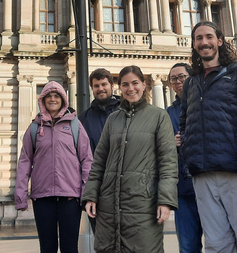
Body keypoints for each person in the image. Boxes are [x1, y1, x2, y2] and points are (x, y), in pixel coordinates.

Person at [179, 21, 237, 253]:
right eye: (198, 38)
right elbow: (184, 120)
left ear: (219, 41)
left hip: (236, 171)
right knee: (216, 245)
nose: (204, 42)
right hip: (202, 173)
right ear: (194, 44)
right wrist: (189, 153)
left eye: (209, 37)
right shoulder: (191, 82)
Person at [83, 66, 178, 253]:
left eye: (135, 83)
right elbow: (99, 162)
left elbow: (168, 162)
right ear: (120, 88)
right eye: (125, 84)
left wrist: (165, 200)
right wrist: (91, 195)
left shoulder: (159, 116)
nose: (130, 88)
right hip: (109, 203)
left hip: (143, 203)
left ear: (144, 84)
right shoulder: (113, 119)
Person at [15, 81, 93, 253]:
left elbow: (87, 159)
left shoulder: (74, 125)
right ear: (42, 100)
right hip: (43, 197)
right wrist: (20, 195)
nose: (52, 99)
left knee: (70, 248)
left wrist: (87, 193)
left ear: (63, 99)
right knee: (47, 248)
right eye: (48, 96)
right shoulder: (34, 128)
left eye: (56, 95)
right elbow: (25, 161)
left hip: (70, 197)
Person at [167, 62, 202, 253]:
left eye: (182, 77)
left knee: (219, 242)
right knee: (188, 247)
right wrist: (171, 143)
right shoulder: (168, 114)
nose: (178, 81)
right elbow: (160, 149)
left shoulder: (205, 104)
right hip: (184, 189)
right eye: (174, 79)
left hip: (208, 183)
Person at [79, 68, 120, 152]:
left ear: (112, 86)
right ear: (92, 89)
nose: (100, 89)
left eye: (104, 84)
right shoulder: (83, 119)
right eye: (96, 86)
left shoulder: (126, 112)